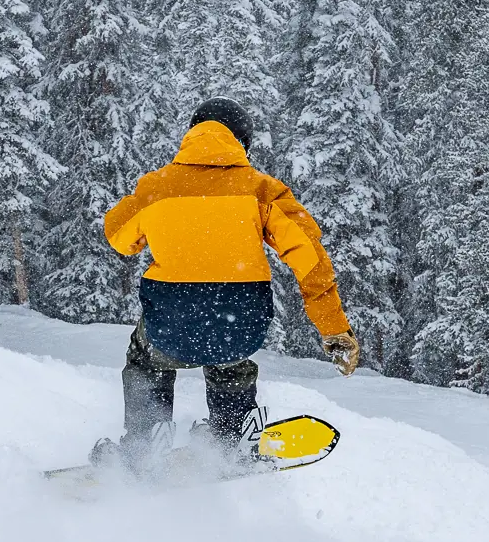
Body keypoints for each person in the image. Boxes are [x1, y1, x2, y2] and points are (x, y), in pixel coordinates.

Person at [94, 97, 360, 472]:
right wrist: (333, 329)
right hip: (240, 321)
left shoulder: (158, 187)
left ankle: (145, 440)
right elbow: (310, 258)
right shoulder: (261, 190)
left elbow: (118, 236)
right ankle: (232, 437)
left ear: (192, 134)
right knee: (228, 358)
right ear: (241, 142)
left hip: (172, 321)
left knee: (145, 357)